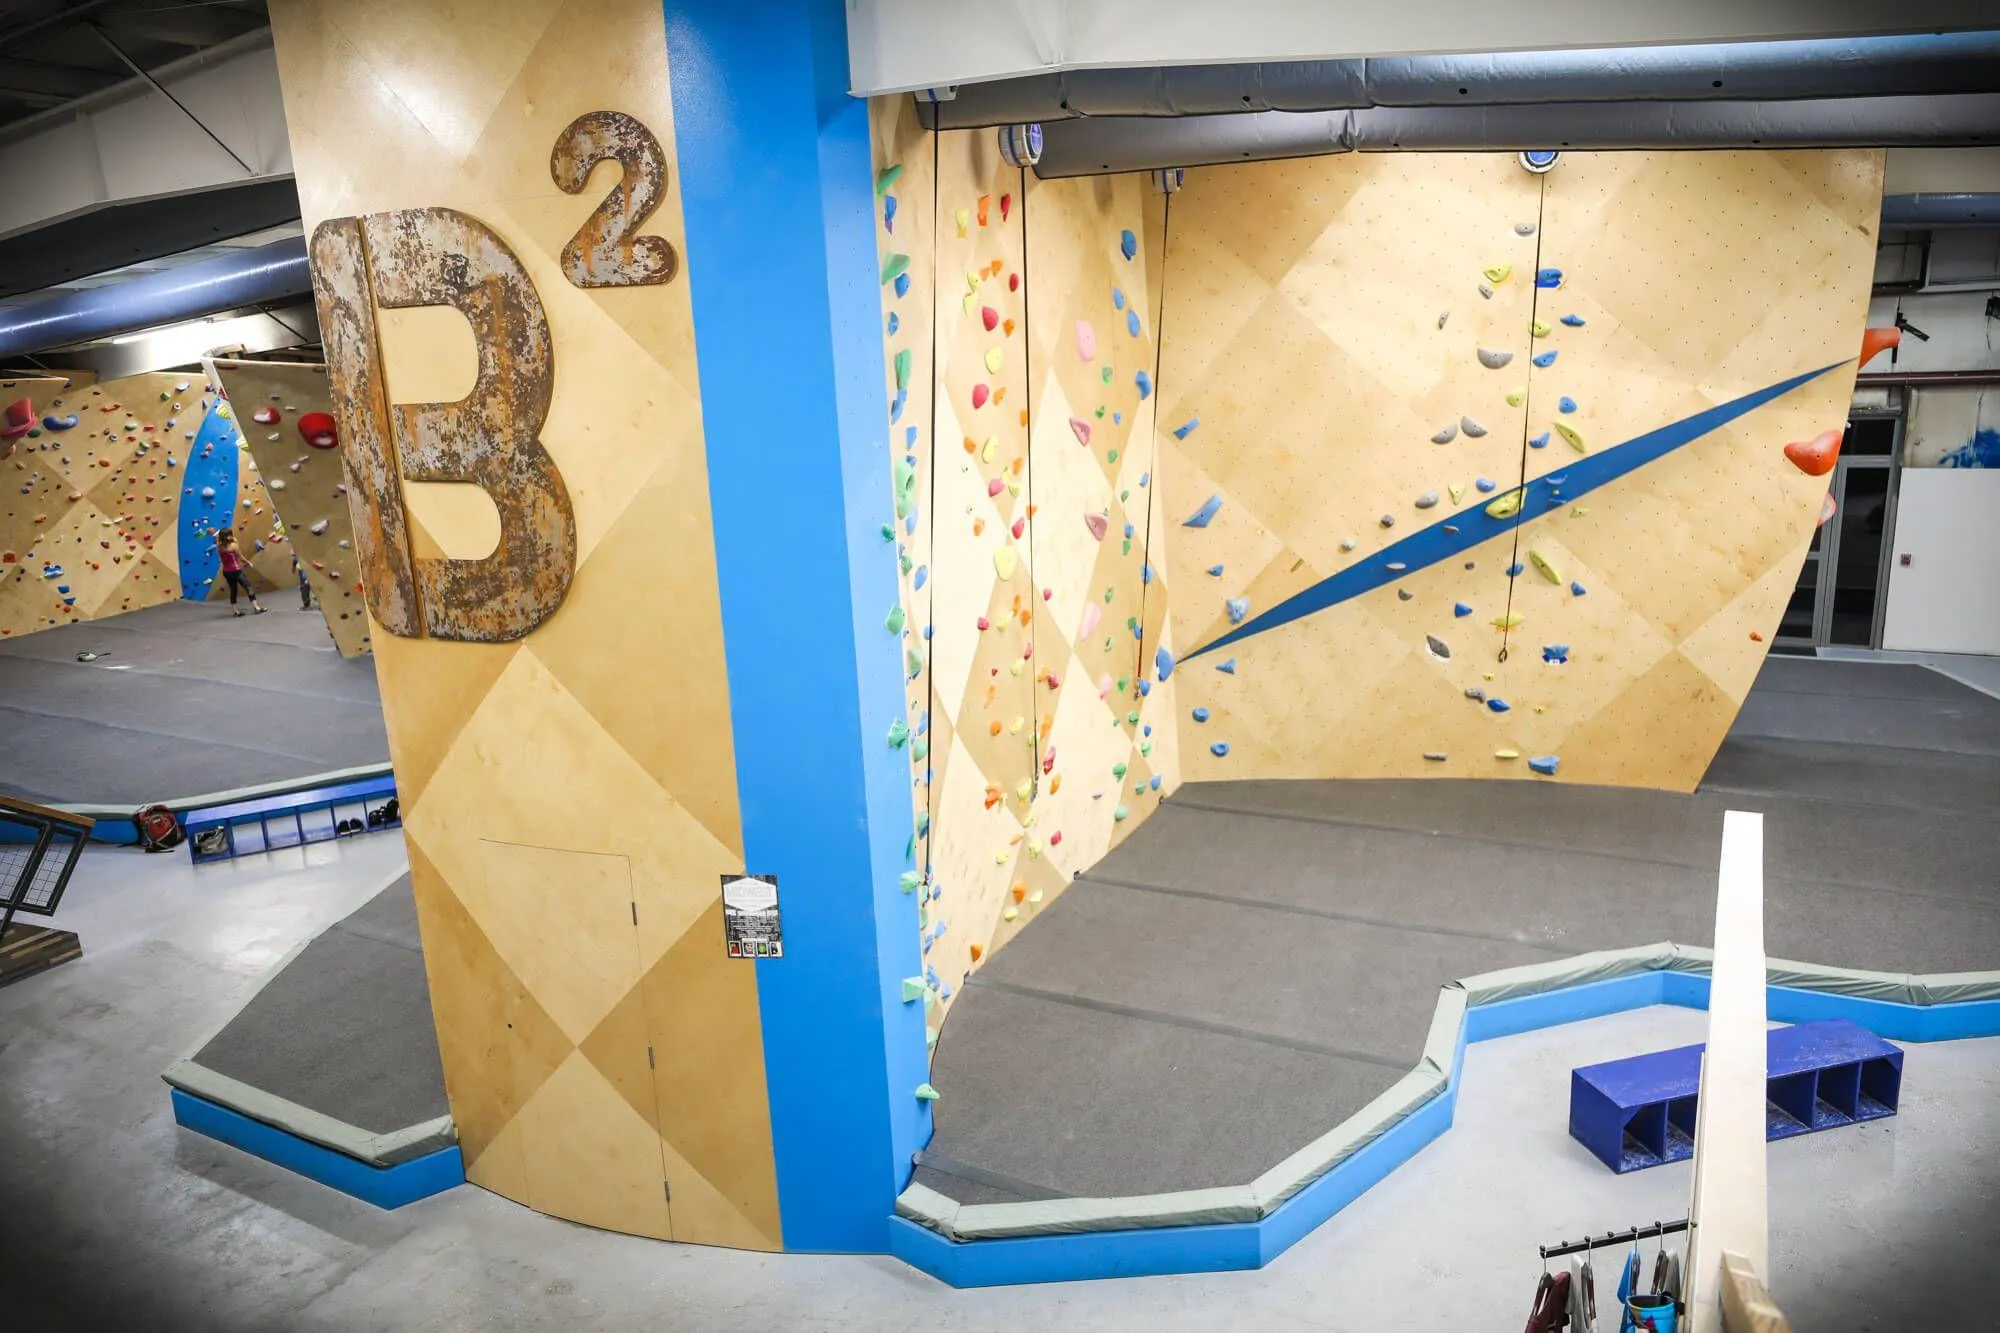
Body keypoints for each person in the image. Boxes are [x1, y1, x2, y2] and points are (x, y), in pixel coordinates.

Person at [215, 528, 266, 616]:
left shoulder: (219, 546)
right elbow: (240, 556)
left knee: (233, 590)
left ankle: (236, 611)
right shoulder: (233, 545)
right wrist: (248, 562)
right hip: (235, 571)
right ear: (228, 536)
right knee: (248, 587)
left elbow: (223, 543)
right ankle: (256, 607)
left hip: (226, 572)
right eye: (230, 534)